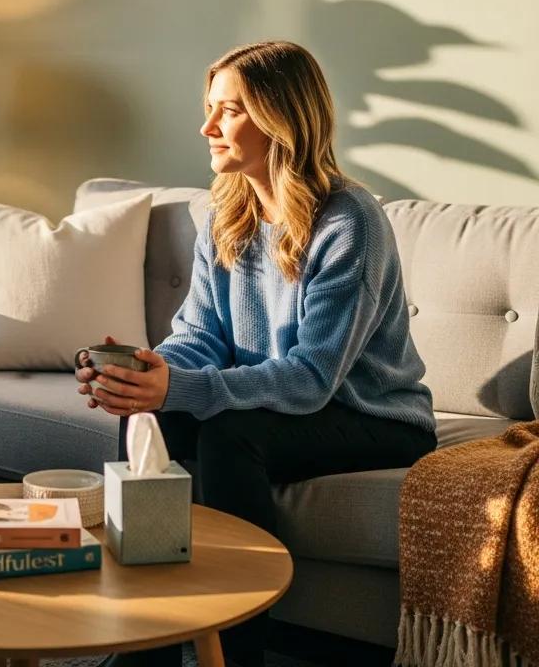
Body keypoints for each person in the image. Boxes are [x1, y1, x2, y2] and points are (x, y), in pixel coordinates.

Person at [76, 41, 436, 667]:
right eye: (210, 108)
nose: (207, 127)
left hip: (374, 417)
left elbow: (313, 378)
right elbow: (200, 335)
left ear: (281, 119)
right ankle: (144, 644)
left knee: (229, 433)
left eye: (230, 110)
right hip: (282, 401)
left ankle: (235, 652)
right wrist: (148, 373)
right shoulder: (227, 212)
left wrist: (184, 387)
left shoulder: (350, 222)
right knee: (149, 417)